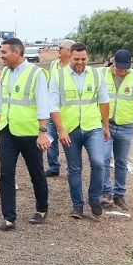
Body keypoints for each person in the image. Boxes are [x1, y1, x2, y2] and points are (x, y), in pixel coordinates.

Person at [0, 38, 52, 230]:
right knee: (6, 174)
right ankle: (9, 218)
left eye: (4, 52)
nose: (1, 56)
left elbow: (43, 105)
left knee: (36, 172)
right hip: (7, 131)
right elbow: (0, 101)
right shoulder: (5, 72)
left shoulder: (36, 73)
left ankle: (41, 208)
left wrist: (42, 132)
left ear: (16, 52)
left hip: (30, 134)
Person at [55, 43, 110, 219]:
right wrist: (60, 130)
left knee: (99, 162)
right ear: (69, 57)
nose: (80, 62)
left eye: (84, 59)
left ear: (88, 57)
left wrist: (105, 126)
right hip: (70, 129)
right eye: (76, 59)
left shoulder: (96, 74)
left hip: (92, 126)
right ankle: (77, 206)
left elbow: (104, 101)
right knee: (74, 168)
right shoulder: (59, 76)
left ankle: (94, 198)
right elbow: (52, 105)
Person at [100, 49, 133, 213]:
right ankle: (106, 192)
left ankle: (119, 194)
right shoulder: (101, 74)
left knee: (121, 162)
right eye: (120, 67)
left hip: (126, 126)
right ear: (113, 61)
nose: (122, 71)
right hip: (105, 125)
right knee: (104, 159)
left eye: (126, 68)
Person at [44, 39, 75, 177]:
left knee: (69, 139)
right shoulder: (53, 64)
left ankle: (72, 167)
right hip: (52, 107)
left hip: (67, 110)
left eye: (60, 48)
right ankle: (53, 166)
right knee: (50, 137)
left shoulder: (74, 67)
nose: (58, 49)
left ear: (68, 51)